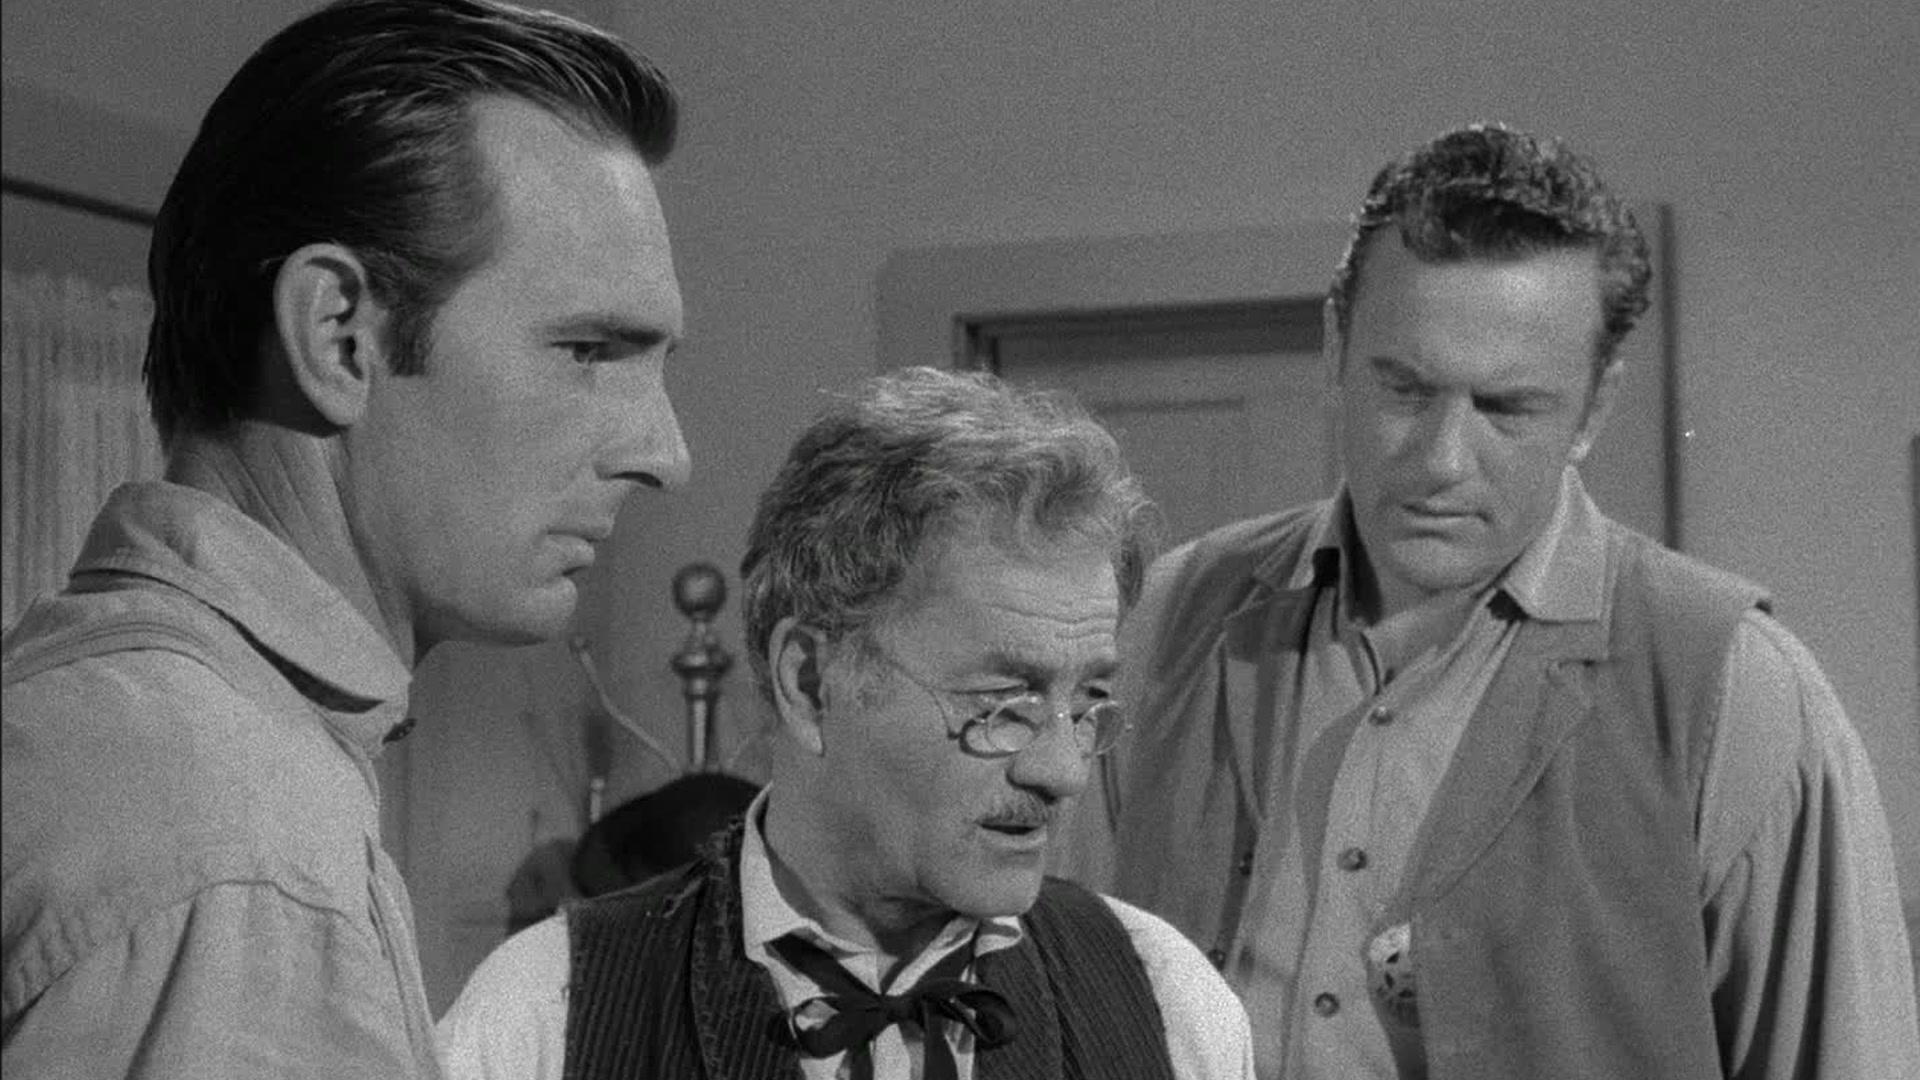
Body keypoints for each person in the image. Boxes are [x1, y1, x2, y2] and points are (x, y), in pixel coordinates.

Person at [1061, 123, 1920, 1079]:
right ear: (1336, 349)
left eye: (1507, 408)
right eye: (1404, 389)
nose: (1441, 462)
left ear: (1594, 408)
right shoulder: (1174, 615)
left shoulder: (1732, 691)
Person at [1, 1, 689, 1075]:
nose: (666, 453)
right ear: (339, 338)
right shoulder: (240, 841)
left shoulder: (103, 719)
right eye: (589, 350)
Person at [438, 367, 1254, 1080]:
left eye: (1086, 701)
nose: (1063, 770)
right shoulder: (547, 1016)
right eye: (1004, 701)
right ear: (809, 682)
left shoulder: (1165, 1002)